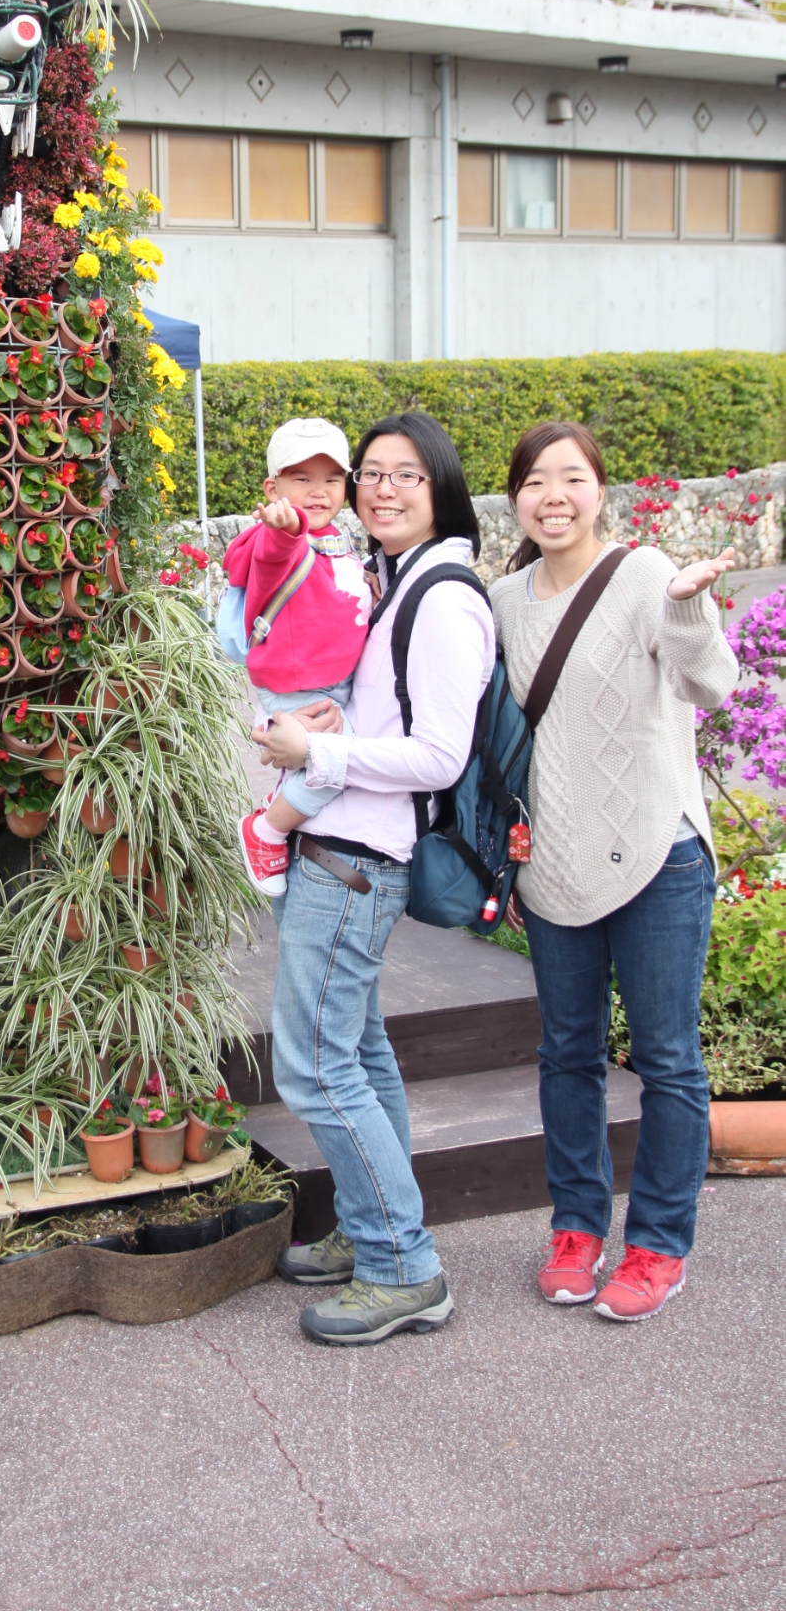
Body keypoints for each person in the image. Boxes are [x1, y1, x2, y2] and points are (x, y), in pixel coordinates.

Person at [490, 421, 737, 1322]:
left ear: (600, 490)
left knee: (666, 1059)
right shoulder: (501, 600)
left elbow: (713, 685)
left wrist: (687, 608)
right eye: (534, 481)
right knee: (567, 1055)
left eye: (570, 478)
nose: (552, 496)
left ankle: (659, 1245)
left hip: (658, 853)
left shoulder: (644, 576)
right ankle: (576, 1229)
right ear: (514, 498)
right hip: (553, 864)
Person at [260, 412, 495, 1346]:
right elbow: (389, 712)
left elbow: (438, 755)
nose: (381, 489)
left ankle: (402, 1266)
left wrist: (319, 752)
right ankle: (372, 1233)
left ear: (441, 488)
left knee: (314, 1068)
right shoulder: (395, 580)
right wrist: (333, 718)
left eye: (406, 475)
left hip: (356, 863)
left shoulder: (442, 597)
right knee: (357, 1056)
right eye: (370, 473)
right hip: (340, 851)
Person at [226, 418, 374, 898]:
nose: (318, 490)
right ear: (273, 488)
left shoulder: (336, 540)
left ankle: (280, 806)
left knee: (321, 763)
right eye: (302, 478)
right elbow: (276, 555)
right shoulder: (276, 538)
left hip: (328, 681)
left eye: (331, 479)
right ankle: (266, 831)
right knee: (338, 766)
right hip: (299, 684)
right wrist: (286, 529)